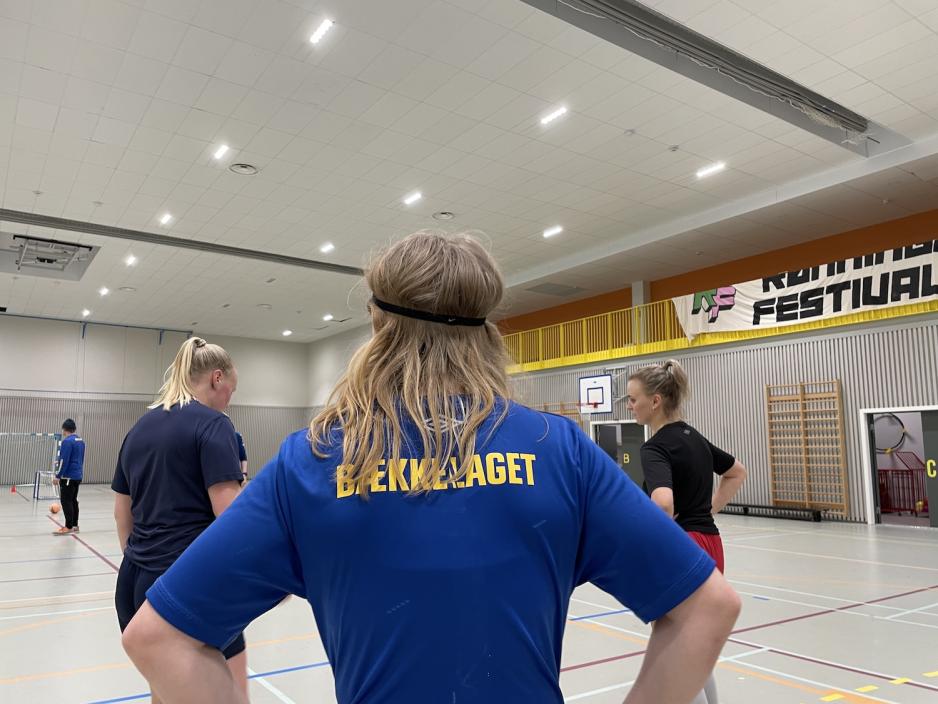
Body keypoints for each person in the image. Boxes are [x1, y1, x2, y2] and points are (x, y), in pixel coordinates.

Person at [121, 232, 740, 704]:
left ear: (377, 324)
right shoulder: (560, 448)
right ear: (487, 328)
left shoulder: (312, 461)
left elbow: (158, 637)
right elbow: (707, 608)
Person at [112, 337, 246, 703]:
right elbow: (231, 515)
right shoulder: (216, 424)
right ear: (217, 379)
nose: (228, 401)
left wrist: (142, 557)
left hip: (134, 584)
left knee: (166, 693)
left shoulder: (140, 426)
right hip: (186, 586)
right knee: (233, 692)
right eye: (231, 391)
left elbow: (122, 510)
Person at [627, 359, 748, 704]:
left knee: (675, 652)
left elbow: (663, 503)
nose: (630, 406)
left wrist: (645, 529)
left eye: (633, 399)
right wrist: (708, 509)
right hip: (710, 543)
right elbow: (737, 472)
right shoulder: (694, 438)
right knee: (696, 648)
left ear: (656, 401)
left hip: (681, 547)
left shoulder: (654, 447)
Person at [52, 418, 85, 536]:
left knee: (66, 501)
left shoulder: (67, 442)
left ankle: (68, 526)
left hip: (68, 477)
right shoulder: (80, 441)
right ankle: (75, 525)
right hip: (77, 475)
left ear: (64, 429)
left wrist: (58, 475)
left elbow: (64, 461)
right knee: (73, 500)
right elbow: (77, 458)